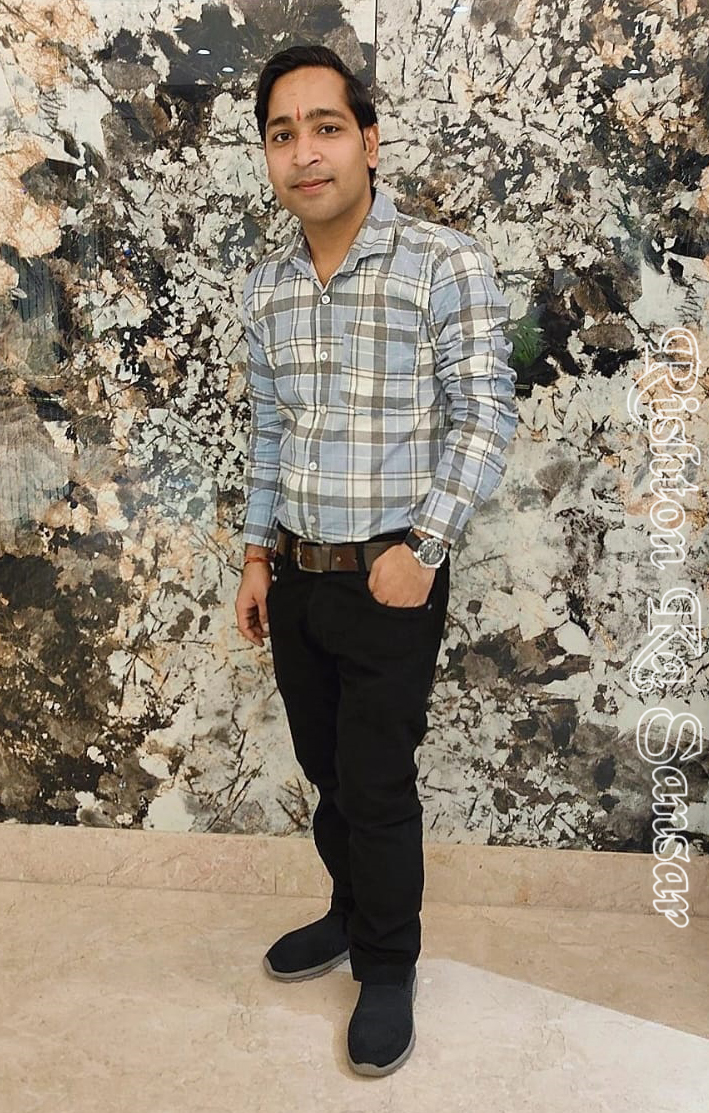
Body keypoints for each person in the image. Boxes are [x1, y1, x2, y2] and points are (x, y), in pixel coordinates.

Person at [235, 43, 518, 1077]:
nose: (304, 152)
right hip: (297, 576)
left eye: (325, 127)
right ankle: (350, 913)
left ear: (368, 140)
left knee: (376, 781)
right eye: (282, 134)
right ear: (269, 156)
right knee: (326, 772)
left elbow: (486, 416)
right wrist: (256, 556)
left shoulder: (442, 262)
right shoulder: (266, 288)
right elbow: (269, 431)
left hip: (391, 575)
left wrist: (423, 547)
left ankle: (388, 965)